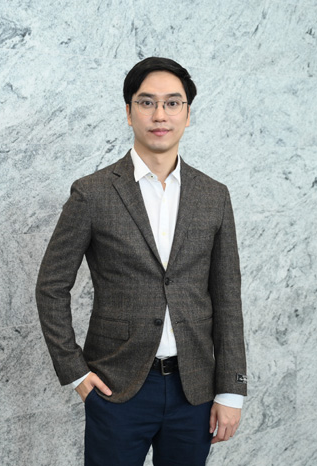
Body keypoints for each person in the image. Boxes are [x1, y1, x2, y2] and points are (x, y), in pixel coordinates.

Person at [35, 57, 247, 466]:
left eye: (172, 103)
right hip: (117, 388)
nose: (160, 115)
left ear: (188, 114)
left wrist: (231, 389)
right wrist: (75, 372)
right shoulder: (92, 193)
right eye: (147, 102)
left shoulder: (214, 195)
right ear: (129, 112)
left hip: (195, 390)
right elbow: (51, 286)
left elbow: (227, 296)